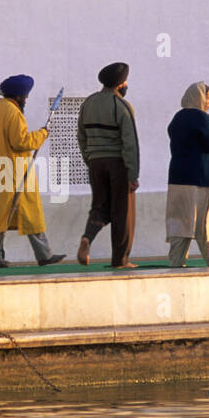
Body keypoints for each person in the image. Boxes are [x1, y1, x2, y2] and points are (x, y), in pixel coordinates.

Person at [0, 74, 65, 268]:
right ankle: (44, 255)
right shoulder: (13, 113)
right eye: (25, 97)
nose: (25, 100)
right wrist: (42, 134)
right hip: (12, 171)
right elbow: (21, 142)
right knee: (29, 212)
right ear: (18, 97)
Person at [76, 62, 139, 269]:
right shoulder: (121, 106)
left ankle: (87, 237)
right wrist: (132, 173)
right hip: (117, 164)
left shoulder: (88, 103)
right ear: (120, 84)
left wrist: (90, 158)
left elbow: (81, 136)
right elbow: (130, 143)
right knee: (123, 212)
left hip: (95, 162)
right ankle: (120, 260)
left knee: (99, 206)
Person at [165, 81, 209, 268]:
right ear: (200, 98)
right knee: (207, 220)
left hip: (178, 177)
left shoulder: (177, 118)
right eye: (208, 98)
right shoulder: (201, 118)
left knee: (180, 221)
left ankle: (177, 260)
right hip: (202, 178)